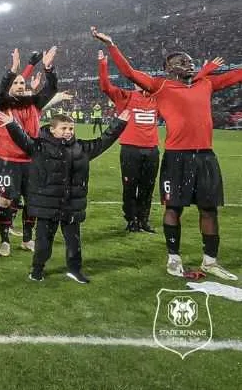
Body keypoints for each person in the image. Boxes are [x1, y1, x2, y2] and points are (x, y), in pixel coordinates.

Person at [92, 27, 241, 280]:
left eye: (191, 61)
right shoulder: (160, 86)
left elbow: (237, 75)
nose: (189, 63)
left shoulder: (206, 83)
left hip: (206, 157)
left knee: (209, 210)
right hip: (176, 157)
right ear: (169, 68)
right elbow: (128, 72)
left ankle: (210, 261)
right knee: (174, 208)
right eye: (182, 61)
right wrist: (111, 45)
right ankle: (173, 257)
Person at [0, 110, 128, 283]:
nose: (68, 131)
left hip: (71, 206)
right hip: (47, 205)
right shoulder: (39, 147)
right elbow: (22, 139)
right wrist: (11, 124)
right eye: (64, 128)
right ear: (52, 130)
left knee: (74, 242)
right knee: (44, 241)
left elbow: (104, 141)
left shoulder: (81, 148)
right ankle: (37, 269)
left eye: (71, 128)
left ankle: (74, 270)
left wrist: (118, 123)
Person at [0, 48, 58, 257]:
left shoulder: (35, 103)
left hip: (32, 162)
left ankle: (27, 239)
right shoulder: (2, 104)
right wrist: (12, 70)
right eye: (15, 83)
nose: (19, 85)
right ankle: (5, 240)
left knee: (33, 200)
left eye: (21, 82)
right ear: (9, 87)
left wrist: (48, 68)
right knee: (5, 201)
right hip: (8, 162)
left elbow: (52, 88)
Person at [98, 50, 160, 233]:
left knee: (148, 187)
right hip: (131, 149)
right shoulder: (126, 96)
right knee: (130, 186)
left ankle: (143, 220)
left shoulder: (157, 99)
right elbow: (105, 86)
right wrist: (102, 64)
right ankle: (131, 219)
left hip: (152, 150)